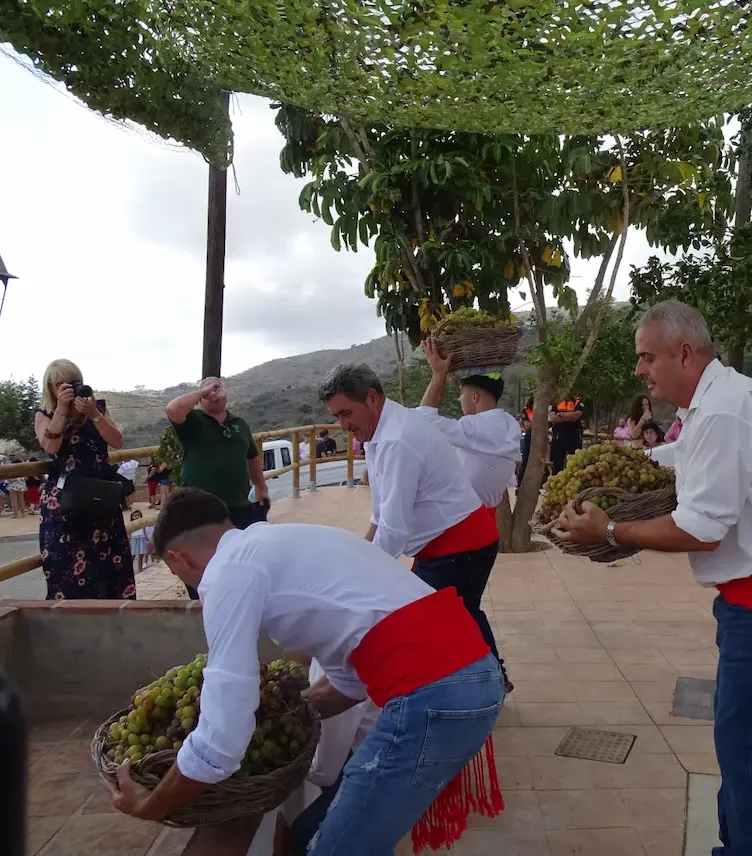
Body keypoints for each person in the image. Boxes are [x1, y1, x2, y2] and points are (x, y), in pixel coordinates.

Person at [554, 299, 752, 856]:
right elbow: (686, 455)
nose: (640, 370)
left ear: (683, 353)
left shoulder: (727, 409)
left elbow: (704, 528)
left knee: (750, 759)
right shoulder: (717, 405)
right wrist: (635, 463)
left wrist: (611, 530)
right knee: (741, 749)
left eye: (646, 357)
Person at [103, 487, 504, 856]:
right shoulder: (286, 540)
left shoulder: (228, 572)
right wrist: (287, 709)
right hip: (473, 675)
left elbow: (220, 745)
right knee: (314, 831)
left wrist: (148, 805)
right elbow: (350, 680)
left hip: (434, 693)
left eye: (182, 578)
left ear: (179, 558)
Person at [320, 364, 506, 682]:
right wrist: (361, 555)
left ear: (372, 398)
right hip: (452, 542)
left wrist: (360, 577)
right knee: (462, 615)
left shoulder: (396, 440)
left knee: (431, 621)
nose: (343, 425)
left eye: (346, 413)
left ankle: (485, 683)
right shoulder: (379, 433)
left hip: (461, 545)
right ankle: (494, 679)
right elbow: (381, 513)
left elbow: (393, 530)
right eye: (337, 417)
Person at [416, 341, 521, 690]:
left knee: (433, 609)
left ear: (475, 397)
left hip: (460, 534)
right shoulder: (503, 426)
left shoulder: (485, 427)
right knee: (466, 610)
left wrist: (438, 375)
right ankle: (492, 676)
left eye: (462, 396)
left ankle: (466, 680)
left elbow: (424, 421)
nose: (460, 404)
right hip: (480, 531)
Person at [34, 359, 135, 601]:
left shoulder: (97, 408)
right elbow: (51, 446)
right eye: (60, 384)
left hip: (101, 498)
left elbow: (117, 441)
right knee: (65, 567)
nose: (66, 387)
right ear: (50, 388)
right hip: (65, 502)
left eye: (72, 382)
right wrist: (61, 409)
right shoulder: (44, 414)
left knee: (108, 565)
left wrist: (93, 414)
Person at [166, 377, 270, 600]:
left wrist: (261, 485)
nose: (215, 392)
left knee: (242, 557)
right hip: (199, 509)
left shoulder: (239, 423)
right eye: (210, 388)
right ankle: (203, 604)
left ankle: (239, 598)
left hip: (237, 504)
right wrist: (202, 392)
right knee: (202, 560)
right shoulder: (193, 421)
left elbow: (252, 457)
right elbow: (173, 409)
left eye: (219, 387)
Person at [549, 395, 584, 473]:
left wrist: (560, 415)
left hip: (573, 435)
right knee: (557, 464)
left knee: (575, 463)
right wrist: (569, 417)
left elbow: (575, 416)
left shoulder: (578, 401)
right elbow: (552, 418)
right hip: (558, 435)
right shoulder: (557, 401)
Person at [517, 397, 534, 484]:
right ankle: (520, 483)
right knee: (525, 461)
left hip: (540, 438)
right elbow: (527, 426)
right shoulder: (527, 411)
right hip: (530, 437)